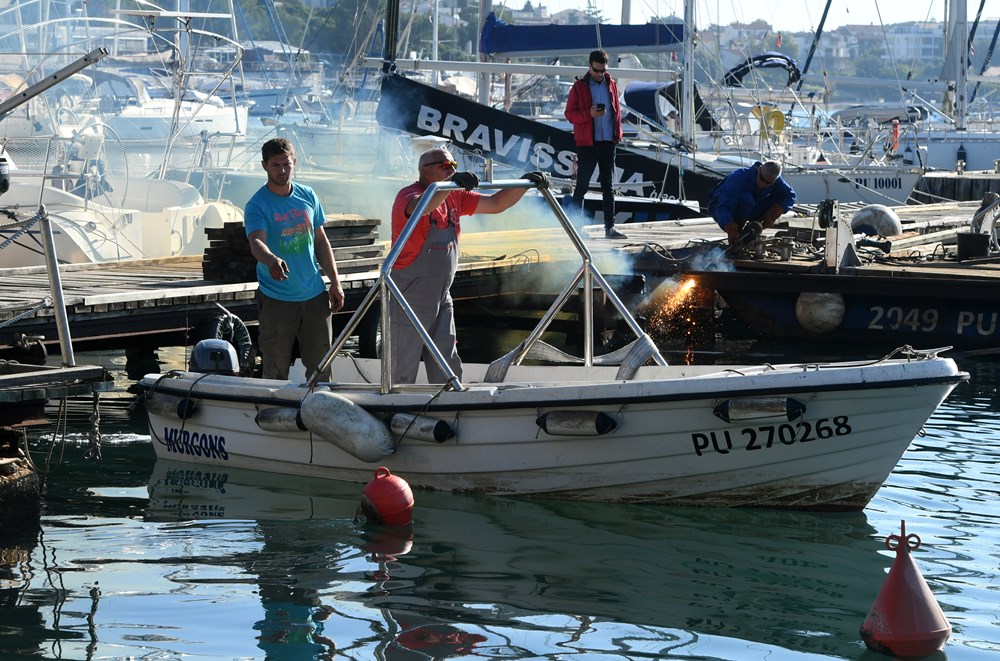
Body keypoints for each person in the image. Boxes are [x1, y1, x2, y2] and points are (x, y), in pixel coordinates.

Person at [389, 147, 544, 384]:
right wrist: (450, 184)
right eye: (445, 166)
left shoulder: (454, 196)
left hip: (442, 295)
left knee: (446, 358)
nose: (451, 170)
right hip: (409, 293)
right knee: (403, 359)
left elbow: (496, 203)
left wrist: (524, 184)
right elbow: (421, 206)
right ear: (425, 170)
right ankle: (394, 402)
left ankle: (449, 399)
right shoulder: (409, 195)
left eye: (454, 166)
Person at [245, 137, 345, 380]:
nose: (282, 171)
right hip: (277, 298)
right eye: (275, 165)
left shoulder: (308, 195)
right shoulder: (257, 204)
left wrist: (335, 282)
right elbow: (256, 242)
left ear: (294, 163)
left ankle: (320, 402)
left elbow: (321, 241)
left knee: (321, 369)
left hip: (314, 295)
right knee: (275, 369)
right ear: (264, 166)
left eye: (286, 164)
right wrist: (271, 260)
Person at [564, 49, 626, 239]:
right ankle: (575, 228)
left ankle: (610, 228)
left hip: (608, 142)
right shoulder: (579, 87)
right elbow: (569, 115)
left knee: (608, 187)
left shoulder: (611, 84)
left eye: (603, 70)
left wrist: (618, 134)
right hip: (587, 144)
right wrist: (589, 114)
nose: (600, 74)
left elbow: (616, 112)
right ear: (589, 66)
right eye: (596, 70)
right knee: (582, 186)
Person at [708, 160, 796, 249]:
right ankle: (738, 232)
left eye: (769, 183)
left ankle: (749, 233)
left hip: (750, 207)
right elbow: (724, 206)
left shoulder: (774, 180)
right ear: (759, 169)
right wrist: (730, 228)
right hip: (720, 206)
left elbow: (790, 195)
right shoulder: (738, 177)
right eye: (762, 179)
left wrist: (771, 216)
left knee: (775, 200)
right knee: (746, 198)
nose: (764, 185)